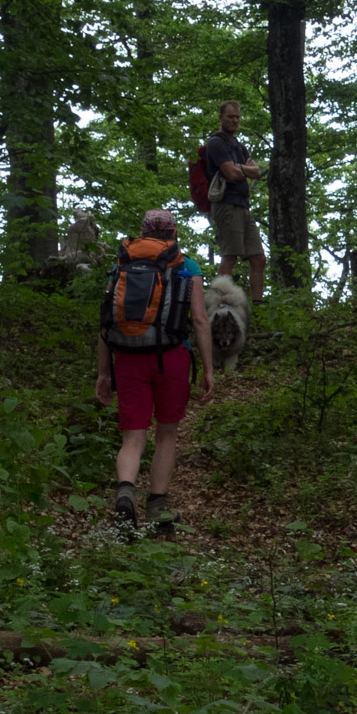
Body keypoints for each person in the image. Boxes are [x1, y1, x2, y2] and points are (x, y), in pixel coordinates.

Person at [95, 209, 216, 531]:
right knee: (166, 434)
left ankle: (124, 495)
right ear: (173, 233)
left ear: (143, 231)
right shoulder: (185, 265)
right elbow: (201, 319)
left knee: (132, 438)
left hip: (127, 357)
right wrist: (208, 368)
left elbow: (105, 322)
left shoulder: (121, 264)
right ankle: (157, 509)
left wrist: (103, 373)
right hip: (172, 356)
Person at [203, 101, 267, 304]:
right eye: (230, 116)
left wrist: (241, 169)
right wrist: (244, 170)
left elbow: (257, 173)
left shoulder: (238, 146)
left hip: (243, 205)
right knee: (230, 256)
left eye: (237, 117)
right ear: (221, 117)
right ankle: (218, 304)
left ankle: (258, 306)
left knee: (258, 258)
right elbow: (230, 173)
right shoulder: (216, 143)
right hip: (226, 205)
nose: (235, 120)